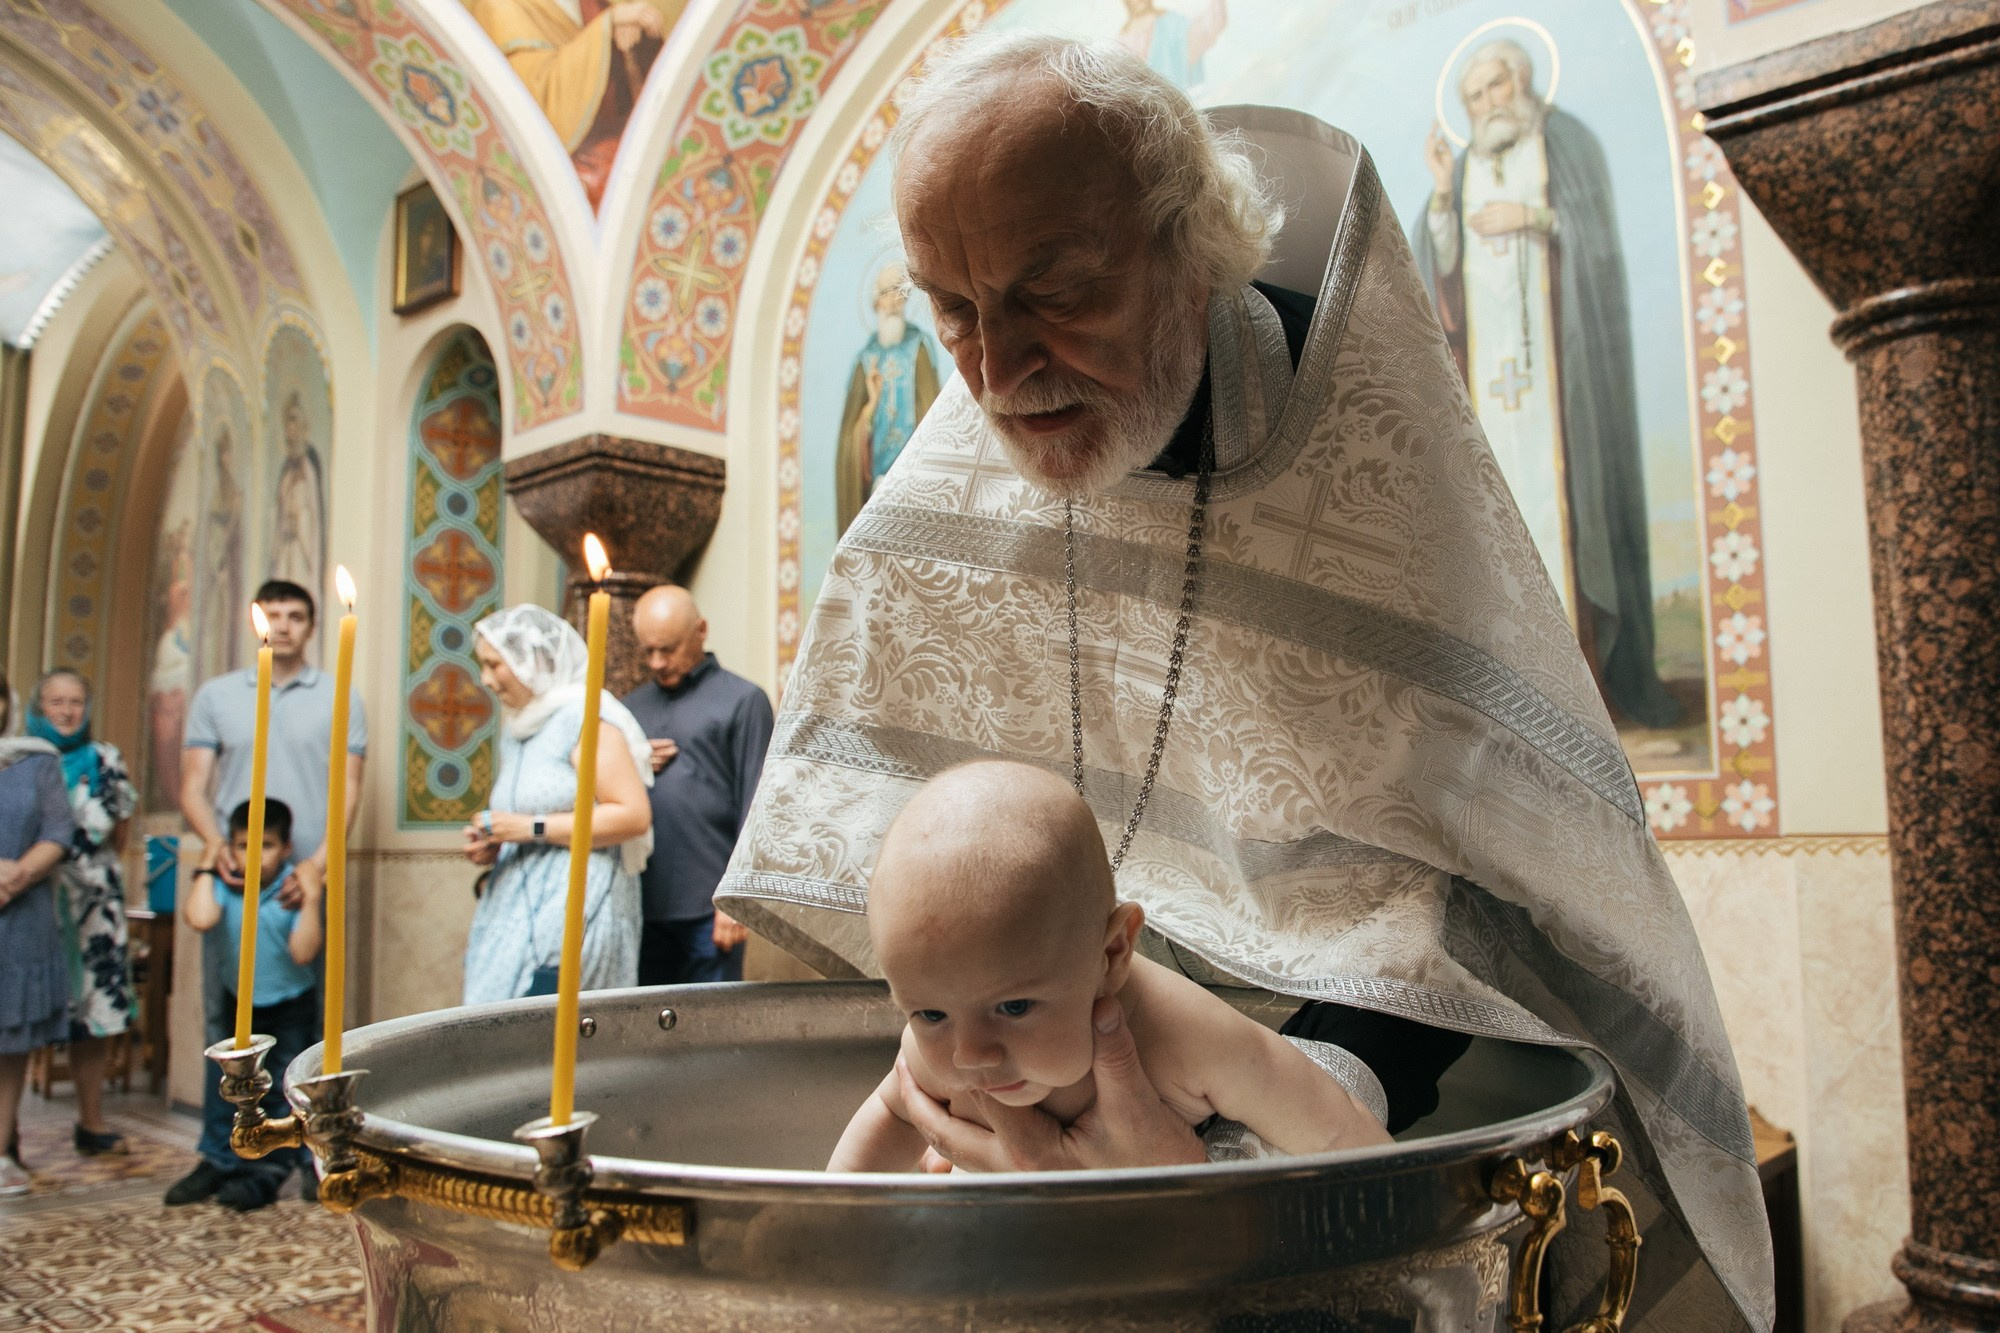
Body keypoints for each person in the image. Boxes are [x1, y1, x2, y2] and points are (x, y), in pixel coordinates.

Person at [720, 34, 1770, 1332]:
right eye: (953, 309)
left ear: (1197, 246)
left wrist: (1264, 1144)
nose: (995, 371)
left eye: (1056, 289)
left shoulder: (1377, 478)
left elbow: (1461, 896)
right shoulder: (954, 475)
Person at [829, 763, 1388, 1172]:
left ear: (1114, 954)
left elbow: (1333, 1125)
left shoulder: (1179, 1035)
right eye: (929, 1014)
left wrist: (1410, 1211)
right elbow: (893, 1116)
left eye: (1014, 1007)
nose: (971, 1054)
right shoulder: (938, 1052)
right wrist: (826, 1233)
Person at [1412, 39, 1679, 729]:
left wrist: (1531, 218)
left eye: (1496, 86)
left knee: (1567, 516)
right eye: (1474, 97)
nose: (1487, 104)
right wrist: (1442, 198)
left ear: (1524, 79)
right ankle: (1522, 707)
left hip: (1560, 392)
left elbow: (1596, 246)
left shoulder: (1566, 146)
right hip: (1493, 396)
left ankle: (1592, 687)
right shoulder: (1465, 170)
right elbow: (1439, 286)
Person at [169, 579, 365, 1205]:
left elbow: (348, 791)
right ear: (256, 619)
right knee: (225, 1025)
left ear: (311, 626)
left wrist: (317, 869)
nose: (282, 626)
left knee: (305, 1025)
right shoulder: (218, 696)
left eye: (296, 616)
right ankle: (217, 1155)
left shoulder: (341, 696)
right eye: (272, 615)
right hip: (233, 878)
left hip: (300, 878)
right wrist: (218, 848)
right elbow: (195, 786)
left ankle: (307, 1156)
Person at [461, 605, 652, 1004]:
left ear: (529, 661)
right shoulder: (519, 727)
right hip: (513, 903)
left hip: (578, 902)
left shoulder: (586, 717)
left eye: (495, 665)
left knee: (548, 1036)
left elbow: (633, 814)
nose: (486, 679)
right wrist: (496, 839)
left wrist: (531, 829)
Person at [621, 586, 772, 986]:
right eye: (648, 650)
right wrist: (632, 763)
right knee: (642, 1026)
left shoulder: (744, 700)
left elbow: (757, 804)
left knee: (712, 1031)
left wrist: (737, 902)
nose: (657, 662)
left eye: (668, 649)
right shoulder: (630, 709)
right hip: (640, 904)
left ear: (701, 630)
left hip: (710, 909)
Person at [175, 800, 319, 1211]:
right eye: (243, 845)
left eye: (267, 845)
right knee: (228, 1086)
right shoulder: (222, 883)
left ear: (286, 846)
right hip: (237, 1000)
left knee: (283, 1087)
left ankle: (271, 1169)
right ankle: (221, 1159)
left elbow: (305, 952)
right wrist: (207, 861)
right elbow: (199, 918)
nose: (254, 856)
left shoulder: (291, 888)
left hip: (290, 1003)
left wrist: (311, 900)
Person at [28, 669, 139, 1157]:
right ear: (39, 707)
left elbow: (120, 833)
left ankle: (91, 1122)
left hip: (94, 906)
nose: (67, 711)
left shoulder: (104, 759)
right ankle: (7, 1136)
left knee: (93, 1015)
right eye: (56, 702)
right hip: (34, 900)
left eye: (76, 702)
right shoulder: (22, 759)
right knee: (23, 1008)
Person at [461, 0, 687, 206]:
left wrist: (637, 32)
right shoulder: (499, 6)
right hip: (565, 161)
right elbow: (535, 105)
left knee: (681, 154)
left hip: (615, 135)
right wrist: (607, 26)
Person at [0, 675, 74, 1196]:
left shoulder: (35, 760)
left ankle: (1, 1149)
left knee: (12, 1039)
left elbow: (58, 832)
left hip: (23, 916)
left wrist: (14, 875)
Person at [836, 262, 944, 536]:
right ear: (876, 302)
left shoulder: (918, 349)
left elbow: (933, 416)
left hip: (914, 482)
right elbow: (850, 439)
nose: (893, 300)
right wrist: (870, 409)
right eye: (886, 292)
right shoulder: (865, 361)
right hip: (878, 486)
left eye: (899, 291)